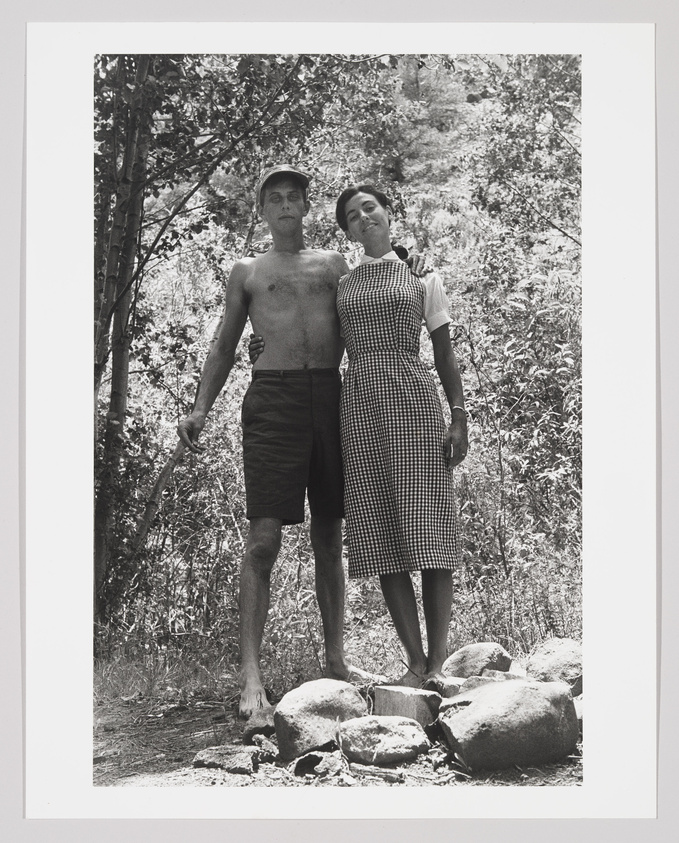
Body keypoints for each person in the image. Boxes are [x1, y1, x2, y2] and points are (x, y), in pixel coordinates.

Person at [177, 166, 418, 717]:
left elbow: (380, 303)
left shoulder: (334, 266)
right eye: (275, 199)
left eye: (294, 197)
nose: (285, 206)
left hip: (333, 399)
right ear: (262, 210)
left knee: (330, 535)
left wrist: (409, 266)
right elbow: (224, 346)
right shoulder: (248, 271)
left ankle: (335, 657)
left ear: (306, 208)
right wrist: (199, 407)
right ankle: (252, 677)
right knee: (263, 541)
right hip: (274, 401)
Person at [334, 184, 468, 687]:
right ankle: (413, 661)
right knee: (381, 531)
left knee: (429, 527)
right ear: (346, 229)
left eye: (370, 208)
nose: (363, 217)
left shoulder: (423, 276)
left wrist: (458, 415)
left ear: (388, 214)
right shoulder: (343, 283)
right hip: (360, 409)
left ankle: (438, 662)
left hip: (413, 402)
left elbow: (444, 351)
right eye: (352, 215)